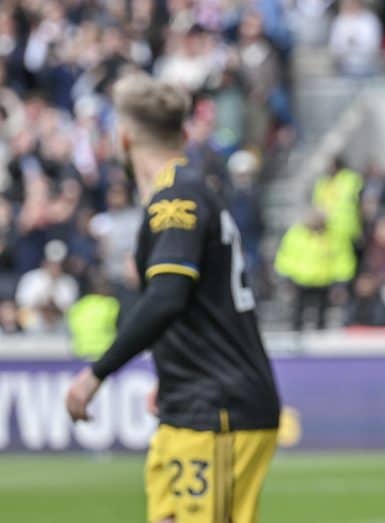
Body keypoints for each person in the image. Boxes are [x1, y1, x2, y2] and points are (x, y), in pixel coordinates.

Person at [65, 73, 280, 523]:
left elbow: (168, 298)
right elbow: (204, 297)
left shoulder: (175, 199)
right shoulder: (188, 191)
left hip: (216, 408)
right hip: (191, 403)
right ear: (182, 134)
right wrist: (175, 365)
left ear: (123, 138)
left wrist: (95, 375)